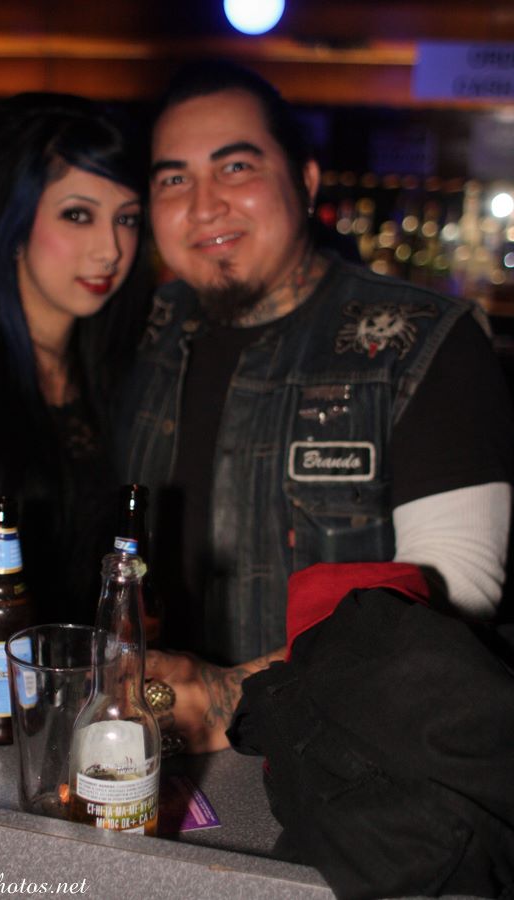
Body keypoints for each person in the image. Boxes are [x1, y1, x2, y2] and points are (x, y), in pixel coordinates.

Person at [114, 60, 514, 752]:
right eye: (174, 180)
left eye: (236, 168)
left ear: (304, 180)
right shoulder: (140, 332)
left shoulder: (421, 340)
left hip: (339, 764)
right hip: (144, 749)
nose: (203, 205)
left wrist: (229, 697)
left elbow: (456, 597)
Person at [0, 93, 151, 718]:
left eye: (127, 218)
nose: (110, 249)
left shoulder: (119, 369)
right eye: (78, 214)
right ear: (12, 223)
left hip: (68, 724)